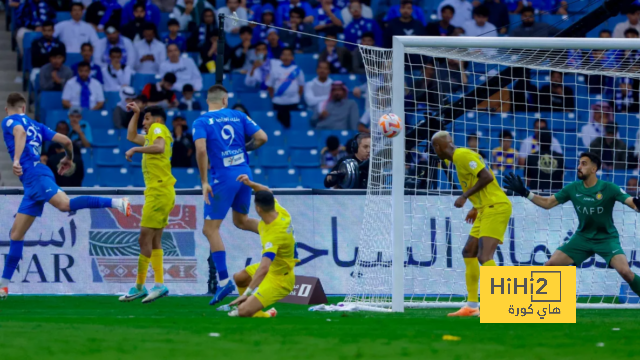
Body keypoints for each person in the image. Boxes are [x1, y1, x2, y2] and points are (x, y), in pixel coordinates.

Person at [0, 93, 131, 300]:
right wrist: (68, 159)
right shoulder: (37, 125)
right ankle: (3, 287)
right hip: (35, 180)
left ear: (9, 109)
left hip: (35, 176)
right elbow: (67, 140)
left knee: (65, 205)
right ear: (24, 108)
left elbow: (19, 133)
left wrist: (16, 160)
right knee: (16, 235)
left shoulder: (9, 121)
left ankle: (117, 202)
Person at [504, 153, 640, 300]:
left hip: (606, 239)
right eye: (579, 163)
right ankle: (539, 302)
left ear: (594, 169)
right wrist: (525, 192)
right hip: (582, 238)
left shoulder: (609, 188)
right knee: (550, 265)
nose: (578, 167)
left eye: (583, 164)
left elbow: (632, 202)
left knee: (626, 272)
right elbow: (548, 203)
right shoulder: (573, 188)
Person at [192, 85, 268, 306]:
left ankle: (224, 280)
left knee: (210, 229)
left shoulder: (202, 121)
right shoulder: (238, 115)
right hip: (244, 173)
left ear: (209, 100)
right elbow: (262, 138)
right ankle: (278, 235)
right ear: (225, 99)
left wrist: (204, 181)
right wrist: (245, 149)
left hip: (222, 178)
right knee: (241, 221)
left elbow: (201, 150)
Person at [431, 131, 512, 317]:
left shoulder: (463, 155)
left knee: (485, 256)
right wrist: (475, 206)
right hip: (484, 208)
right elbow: (482, 179)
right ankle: (471, 306)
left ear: (438, 147)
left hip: (496, 206)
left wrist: (464, 196)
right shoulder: (457, 159)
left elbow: (487, 177)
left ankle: (500, 304)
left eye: (434, 147)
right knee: (469, 252)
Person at [119, 103, 175, 303]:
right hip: (161, 191)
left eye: (147, 118)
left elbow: (157, 147)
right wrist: (135, 114)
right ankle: (155, 285)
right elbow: (131, 136)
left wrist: (135, 149)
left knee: (143, 240)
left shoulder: (158, 129)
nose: (144, 123)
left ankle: (141, 286)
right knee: (153, 241)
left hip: (159, 192)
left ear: (157, 120)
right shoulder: (154, 134)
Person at [225, 176, 298, 318]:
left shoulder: (274, 235)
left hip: (280, 279)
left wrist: (247, 293)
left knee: (242, 312)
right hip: (275, 267)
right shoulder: (280, 211)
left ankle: (265, 314)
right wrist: (251, 184)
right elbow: (266, 190)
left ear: (258, 209)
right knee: (240, 278)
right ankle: (250, 306)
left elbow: (264, 268)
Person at [268, 48, 305, 128]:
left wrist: (296, 97)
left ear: (292, 57)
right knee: (277, 126)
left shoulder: (297, 70)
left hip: (293, 103)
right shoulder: (275, 70)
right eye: (284, 55)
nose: (286, 57)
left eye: (288, 55)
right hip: (278, 103)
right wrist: (274, 97)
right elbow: (270, 86)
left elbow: (301, 86)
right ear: (281, 57)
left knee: (294, 126)